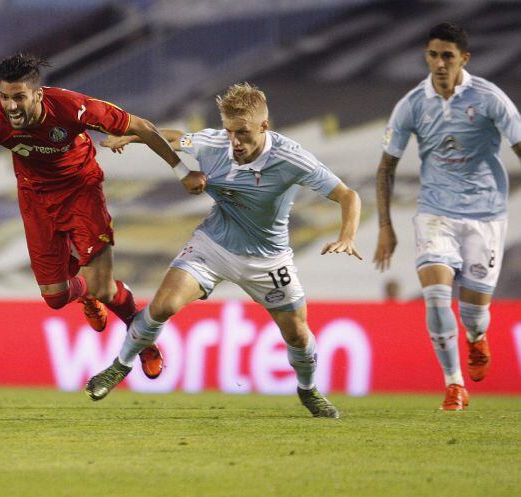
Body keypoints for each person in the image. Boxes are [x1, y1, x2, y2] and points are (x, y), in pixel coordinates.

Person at [0, 53, 207, 379]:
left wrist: (183, 172)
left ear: (38, 93)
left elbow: (144, 128)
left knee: (105, 290)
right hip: (35, 200)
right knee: (55, 297)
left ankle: (143, 340)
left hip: (82, 192)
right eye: (6, 97)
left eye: (19, 97)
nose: (11, 106)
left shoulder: (72, 107)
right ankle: (87, 293)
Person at [88, 83, 362, 418]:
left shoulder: (291, 158)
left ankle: (308, 390)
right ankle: (120, 365)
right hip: (214, 245)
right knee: (163, 306)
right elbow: (171, 137)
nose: (235, 141)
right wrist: (130, 137)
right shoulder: (214, 143)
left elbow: (348, 195)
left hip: (268, 259)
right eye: (229, 131)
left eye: (243, 132)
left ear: (264, 126)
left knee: (298, 335)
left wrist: (347, 236)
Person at [374, 23, 521, 411]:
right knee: (437, 298)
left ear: (463, 59)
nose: (439, 63)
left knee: (474, 314)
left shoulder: (490, 99)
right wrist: (385, 228)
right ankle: (454, 384)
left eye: (447, 56)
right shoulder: (411, 104)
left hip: (486, 216)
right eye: (433, 55)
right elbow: (386, 167)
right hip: (436, 213)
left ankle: (476, 336)